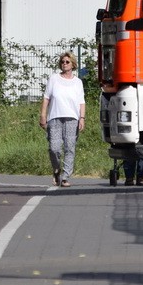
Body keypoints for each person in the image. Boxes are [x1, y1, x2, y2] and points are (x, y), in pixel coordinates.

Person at [39, 51, 86, 187]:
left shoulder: (78, 82)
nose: (64, 64)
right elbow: (46, 98)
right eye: (62, 62)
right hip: (54, 117)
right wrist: (43, 115)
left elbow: (81, 102)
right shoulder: (54, 78)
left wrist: (82, 118)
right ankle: (56, 169)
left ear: (72, 64)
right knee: (54, 148)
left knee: (69, 148)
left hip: (72, 118)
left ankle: (65, 177)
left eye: (67, 62)